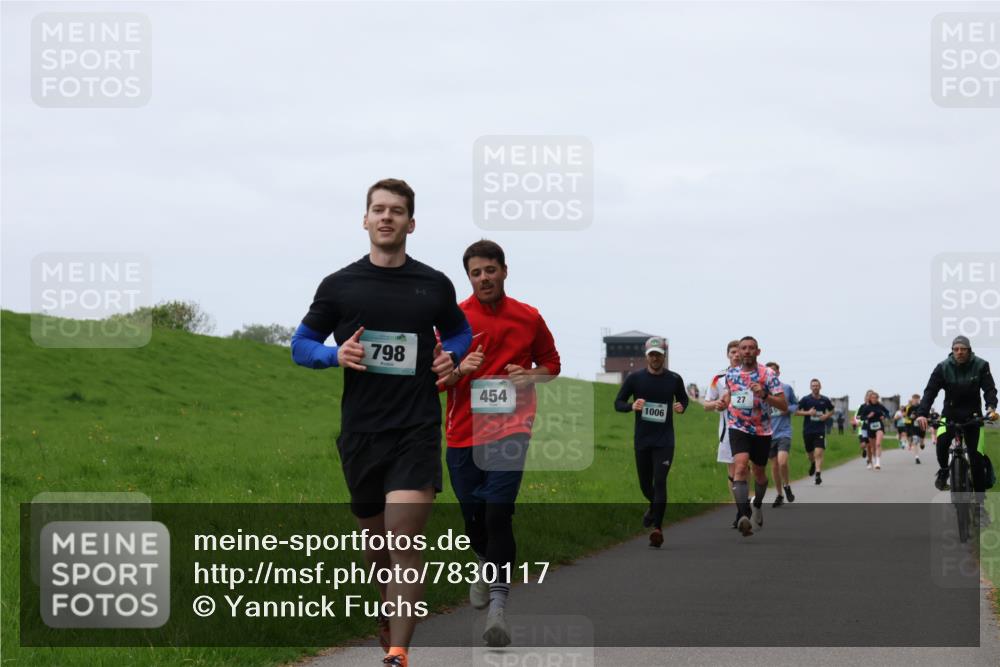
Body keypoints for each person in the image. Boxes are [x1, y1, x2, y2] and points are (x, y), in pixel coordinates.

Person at [291, 179, 472, 667]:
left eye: (396, 211)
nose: (387, 217)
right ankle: (388, 610)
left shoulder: (433, 284)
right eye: (378, 210)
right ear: (365, 220)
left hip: (415, 427)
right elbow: (299, 345)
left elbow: (459, 330)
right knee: (377, 550)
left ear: (411, 223)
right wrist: (334, 354)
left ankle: (398, 653)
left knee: (403, 540)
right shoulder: (339, 285)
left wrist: (449, 356)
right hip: (361, 433)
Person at [440, 240, 561, 647]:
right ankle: (485, 561)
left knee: (497, 514)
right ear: (468, 277)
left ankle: (498, 610)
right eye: (475, 272)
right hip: (462, 433)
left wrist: (531, 376)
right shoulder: (454, 319)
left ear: (504, 271)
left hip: (512, 429)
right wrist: (459, 371)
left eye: (490, 270)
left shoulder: (528, 317)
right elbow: (434, 380)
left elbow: (552, 365)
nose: (483, 278)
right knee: (472, 519)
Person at [915, 335, 998, 524]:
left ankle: (979, 507)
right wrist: (922, 413)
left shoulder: (981, 365)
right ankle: (945, 470)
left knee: (976, 459)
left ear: (969, 350)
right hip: (950, 415)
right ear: (952, 351)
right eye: (956, 349)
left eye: (963, 349)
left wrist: (991, 408)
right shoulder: (943, 367)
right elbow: (930, 391)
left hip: (974, 417)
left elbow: (989, 389)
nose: (959, 352)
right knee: (942, 444)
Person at [616, 336, 689, 547]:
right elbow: (618, 403)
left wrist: (682, 407)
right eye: (652, 355)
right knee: (645, 484)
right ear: (646, 356)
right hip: (642, 440)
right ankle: (653, 505)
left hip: (665, 440)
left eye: (658, 354)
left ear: (664, 356)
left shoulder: (674, 379)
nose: (655, 358)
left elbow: (683, 398)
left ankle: (657, 528)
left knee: (660, 481)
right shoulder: (635, 379)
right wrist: (632, 406)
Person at [717, 336, 787, 536]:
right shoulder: (731, 374)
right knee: (740, 466)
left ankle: (757, 504)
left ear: (758, 352)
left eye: (751, 348)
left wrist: (764, 395)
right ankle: (743, 514)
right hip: (737, 427)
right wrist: (723, 401)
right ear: (738, 352)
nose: (746, 351)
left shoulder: (768, 374)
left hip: (762, 430)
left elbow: (782, 405)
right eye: (743, 348)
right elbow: (729, 395)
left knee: (759, 473)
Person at [703, 340, 741, 528]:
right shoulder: (718, 378)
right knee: (733, 471)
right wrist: (717, 404)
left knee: (746, 469)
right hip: (728, 431)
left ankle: (748, 504)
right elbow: (706, 404)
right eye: (732, 352)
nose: (736, 355)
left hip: (751, 429)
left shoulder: (753, 375)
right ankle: (740, 510)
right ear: (728, 354)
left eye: (738, 352)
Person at [765, 362, 797, 506]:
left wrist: (787, 409)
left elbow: (795, 405)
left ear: (778, 373)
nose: (772, 374)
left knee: (782, 462)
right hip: (768, 433)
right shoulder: (762, 390)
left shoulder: (786, 388)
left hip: (784, 431)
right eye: (769, 372)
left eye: (774, 371)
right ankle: (779, 495)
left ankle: (786, 485)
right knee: (774, 466)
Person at [795, 379, 835, 484]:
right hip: (808, 430)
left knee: (818, 452)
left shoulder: (825, 400)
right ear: (810, 387)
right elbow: (796, 412)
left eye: (817, 385)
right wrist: (808, 412)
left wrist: (826, 416)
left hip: (820, 430)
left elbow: (832, 410)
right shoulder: (806, 399)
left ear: (820, 387)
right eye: (813, 386)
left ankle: (818, 474)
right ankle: (812, 463)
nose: (815, 387)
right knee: (810, 453)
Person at [857, 391, 891, 470]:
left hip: (879, 427)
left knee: (878, 444)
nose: (874, 399)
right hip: (868, 428)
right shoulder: (866, 407)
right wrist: (868, 416)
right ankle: (870, 461)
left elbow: (887, 413)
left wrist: (884, 416)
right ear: (869, 398)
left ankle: (878, 462)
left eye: (876, 398)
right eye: (872, 397)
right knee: (871, 447)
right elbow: (860, 417)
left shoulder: (880, 406)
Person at [903, 394, 924, 464]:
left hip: (921, 426)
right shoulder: (910, 408)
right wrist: (910, 417)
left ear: (919, 399)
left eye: (917, 399)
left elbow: (926, 415)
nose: (915, 400)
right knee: (915, 441)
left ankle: (922, 443)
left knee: (921, 441)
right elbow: (907, 416)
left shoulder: (922, 407)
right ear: (912, 399)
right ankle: (917, 457)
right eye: (914, 399)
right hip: (913, 426)